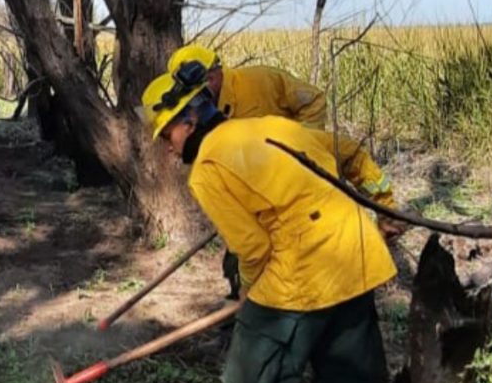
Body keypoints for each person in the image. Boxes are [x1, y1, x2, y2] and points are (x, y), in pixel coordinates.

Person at [141, 60, 400, 383]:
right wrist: (386, 202)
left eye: (166, 134)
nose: (167, 147)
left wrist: (248, 296)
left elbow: (253, 249)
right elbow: (348, 151)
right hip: (355, 257)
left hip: (302, 274)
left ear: (190, 121)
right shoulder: (272, 126)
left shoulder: (206, 169)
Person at [165, 45, 400, 299]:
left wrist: (299, 150)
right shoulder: (208, 125)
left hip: (298, 209)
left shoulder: (261, 82)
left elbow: (315, 103)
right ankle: (242, 303)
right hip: (258, 204)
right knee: (239, 258)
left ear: (213, 76)